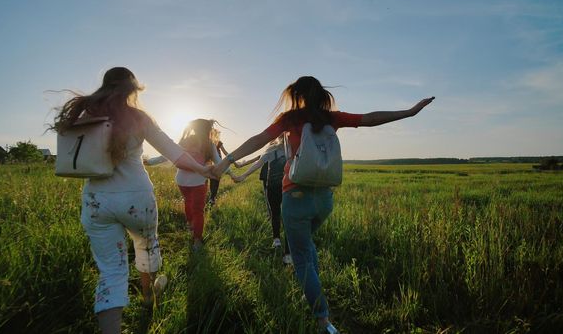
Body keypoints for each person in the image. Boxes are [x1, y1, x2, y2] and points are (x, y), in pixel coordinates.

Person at [213, 76, 433, 333]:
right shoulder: (332, 118)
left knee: (302, 258)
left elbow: (258, 140)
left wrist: (225, 161)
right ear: (321, 95)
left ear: (298, 95)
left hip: (295, 197)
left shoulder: (291, 118)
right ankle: (315, 294)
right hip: (324, 201)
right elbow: (370, 118)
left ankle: (323, 320)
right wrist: (410, 112)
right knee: (308, 247)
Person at [51, 67, 213, 334]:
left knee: (111, 274)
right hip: (136, 198)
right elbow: (174, 152)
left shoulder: (86, 114)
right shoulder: (139, 117)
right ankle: (149, 296)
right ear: (132, 89)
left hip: (96, 200)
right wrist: (204, 169)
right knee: (146, 248)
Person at [147, 119, 237, 250]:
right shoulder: (209, 144)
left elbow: (167, 154)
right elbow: (219, 162)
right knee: (198, 210)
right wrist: (232, 174)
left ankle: (191, 225)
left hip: (182, 181)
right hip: (198, 182)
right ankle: (197, 240)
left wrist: (150, 161)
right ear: (207, 130)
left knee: (188, 202)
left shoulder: (185, 141)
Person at [232, 134, 292, 264]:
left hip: (273, 185)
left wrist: (243, 176)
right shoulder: (292, 149)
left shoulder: (271, 150)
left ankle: (276, 240)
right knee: (288, 218)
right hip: (288, 187)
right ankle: (288, 254)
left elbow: (257, 164)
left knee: (275, 213)